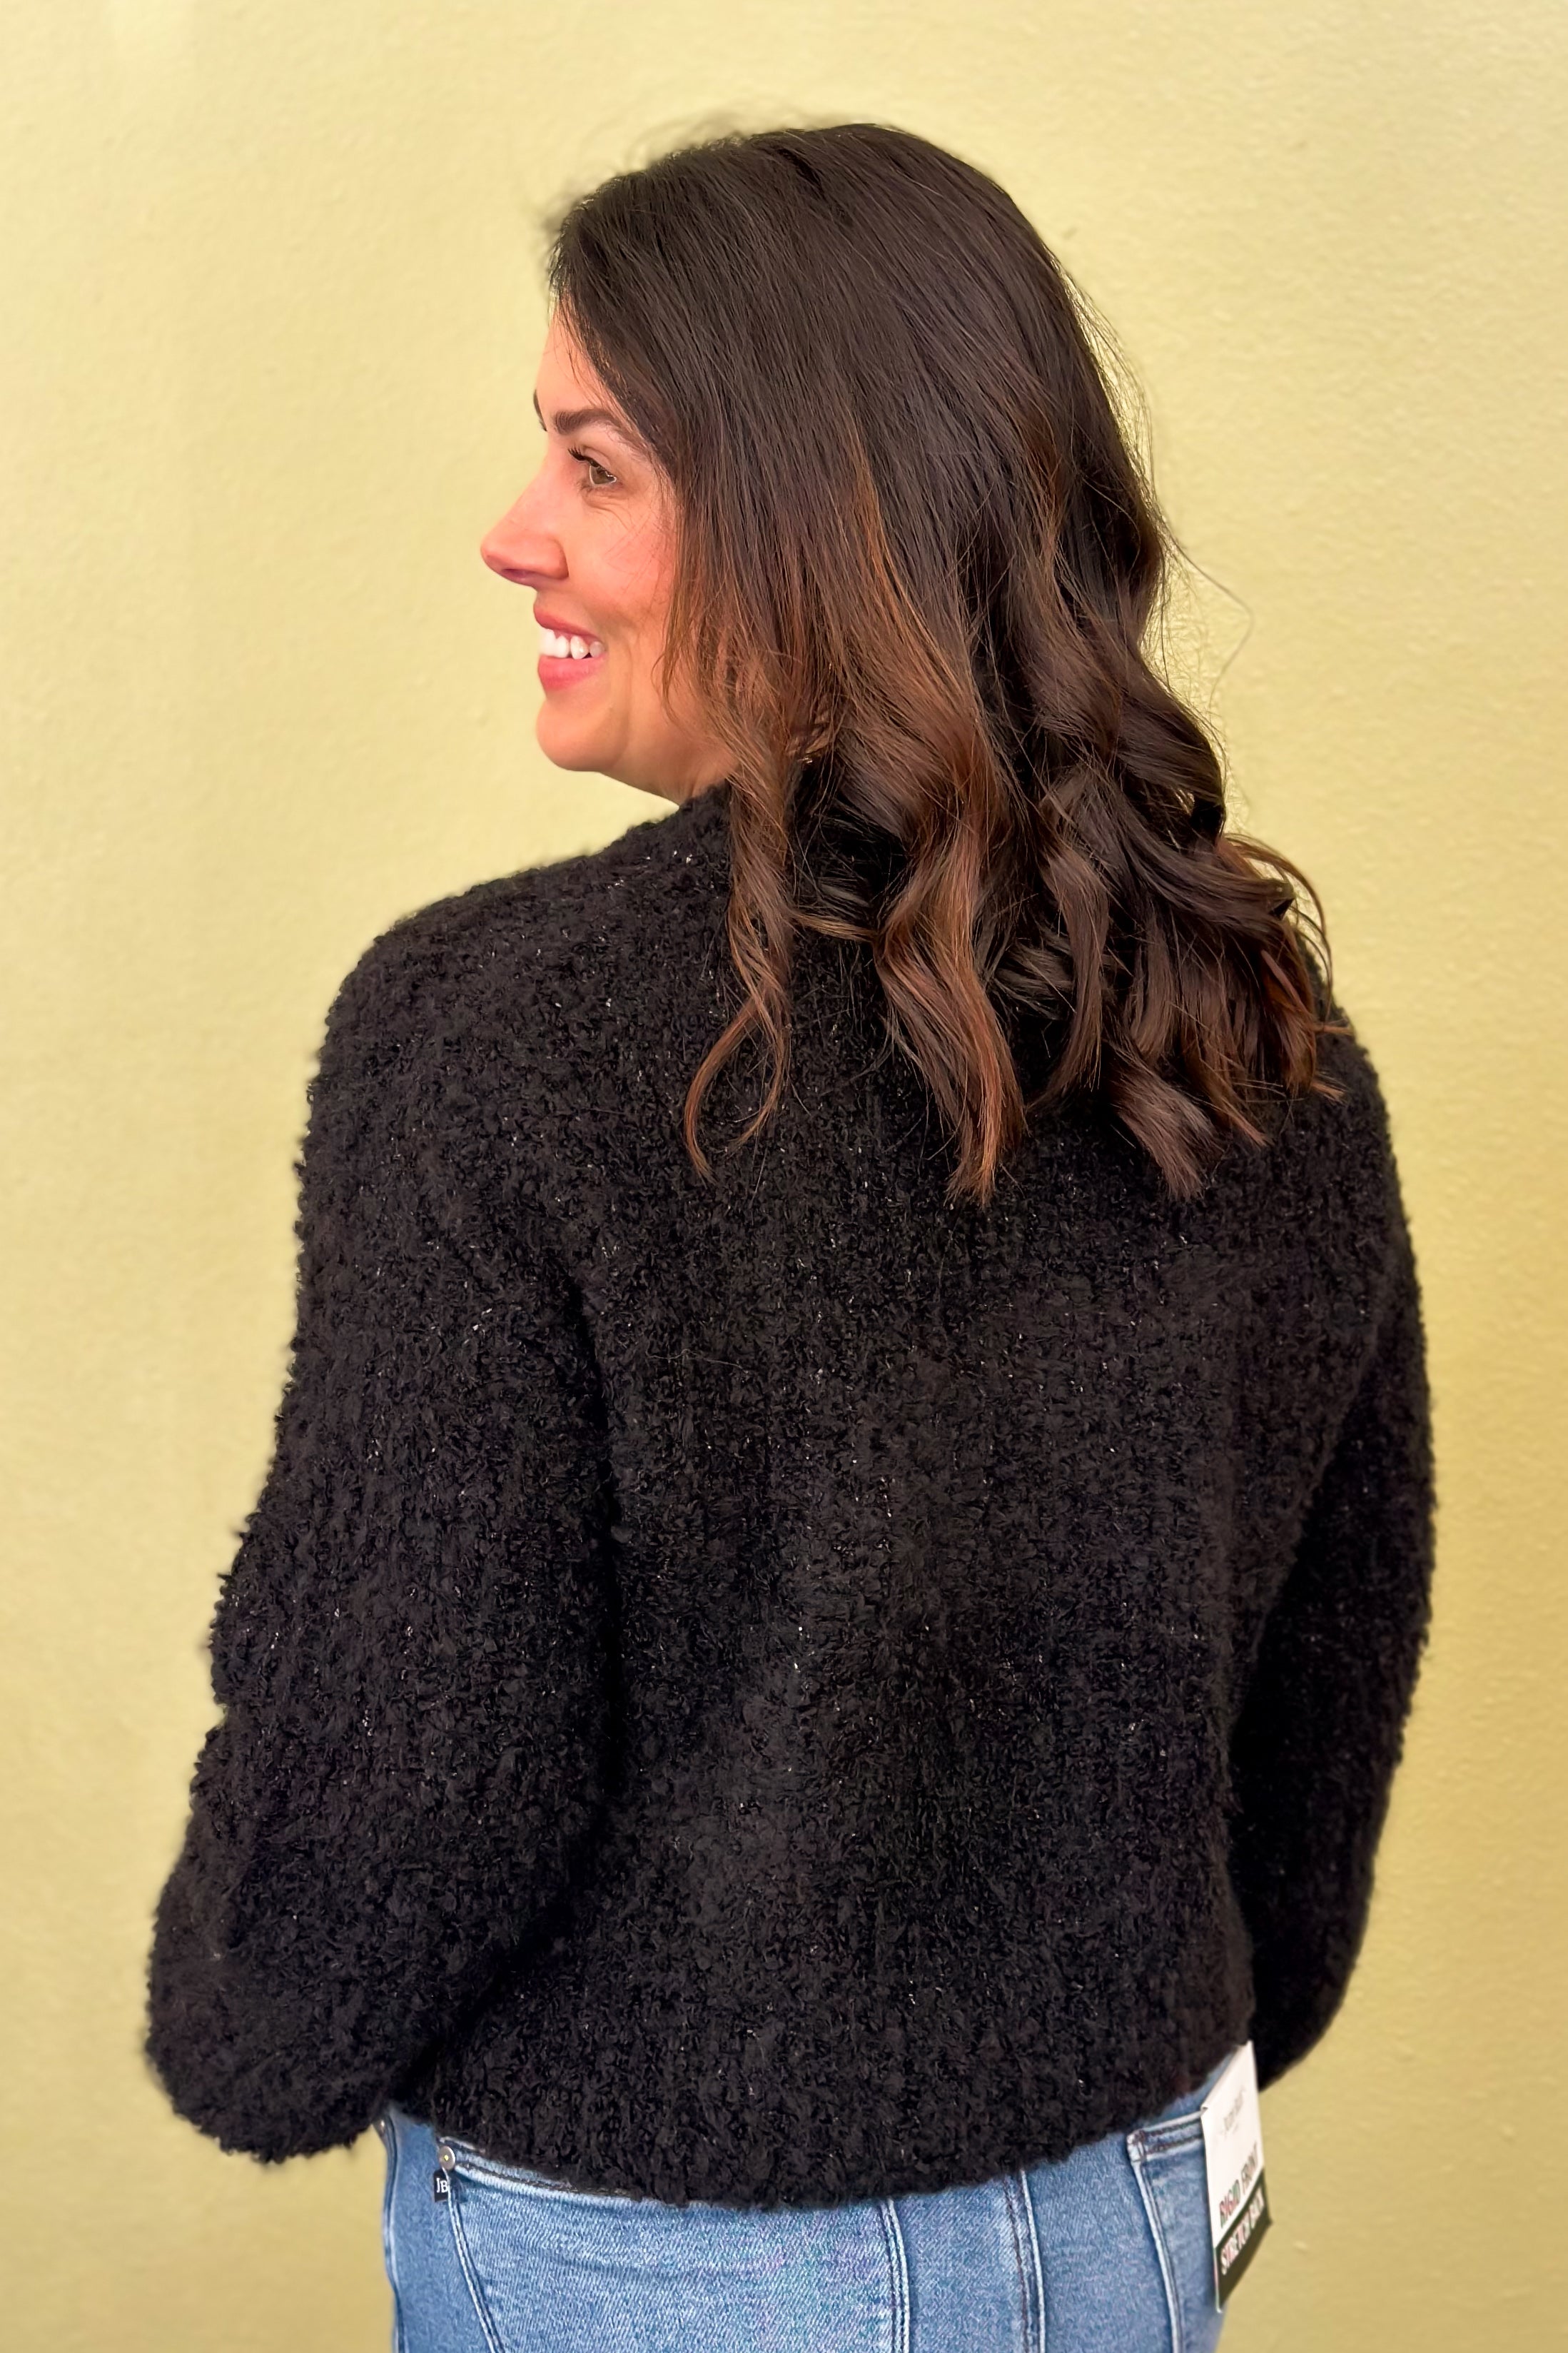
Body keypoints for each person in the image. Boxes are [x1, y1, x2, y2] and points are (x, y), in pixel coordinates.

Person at [145, 124, 1436, 2353]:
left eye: (596, 464)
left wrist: (246, 2032)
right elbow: (1331, 1678)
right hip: (1128, 2199)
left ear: (804, 514)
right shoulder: (1253, 1035)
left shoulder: (500, 1040)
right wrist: (1152, 2035)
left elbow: (420, 1753)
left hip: (665, 2252)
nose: (514, 531)